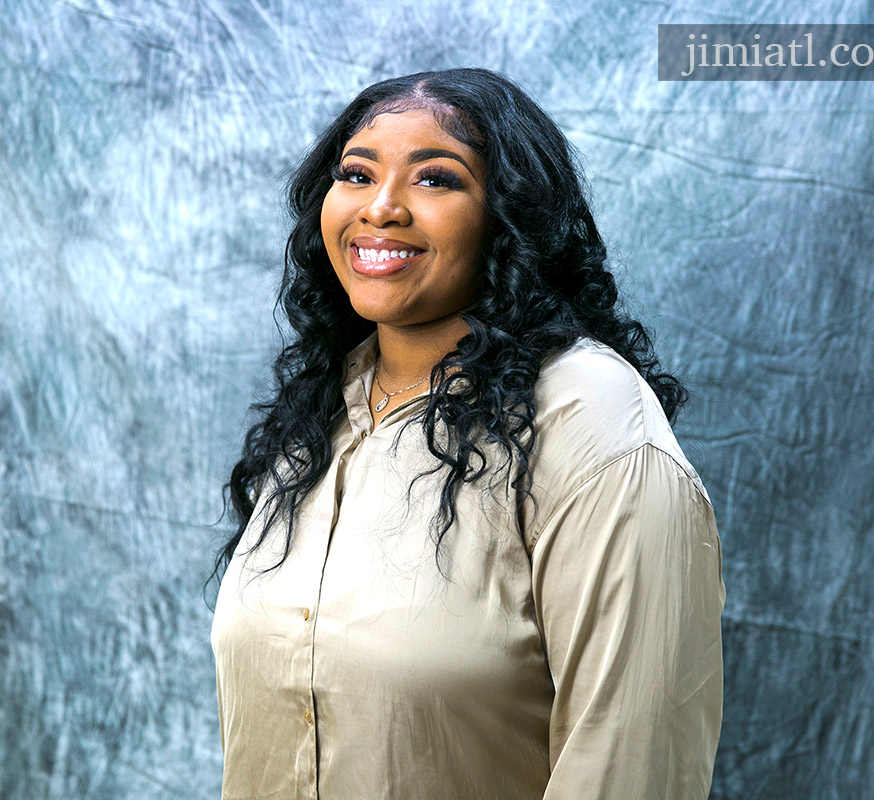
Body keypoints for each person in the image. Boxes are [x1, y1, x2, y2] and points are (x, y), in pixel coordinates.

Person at [208, 67, 725, 799]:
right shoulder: (318, 413)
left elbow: (631, 763)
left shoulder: (592, 425)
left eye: (436, 180)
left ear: (509, 218)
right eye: (357, 174)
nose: (380, 208)